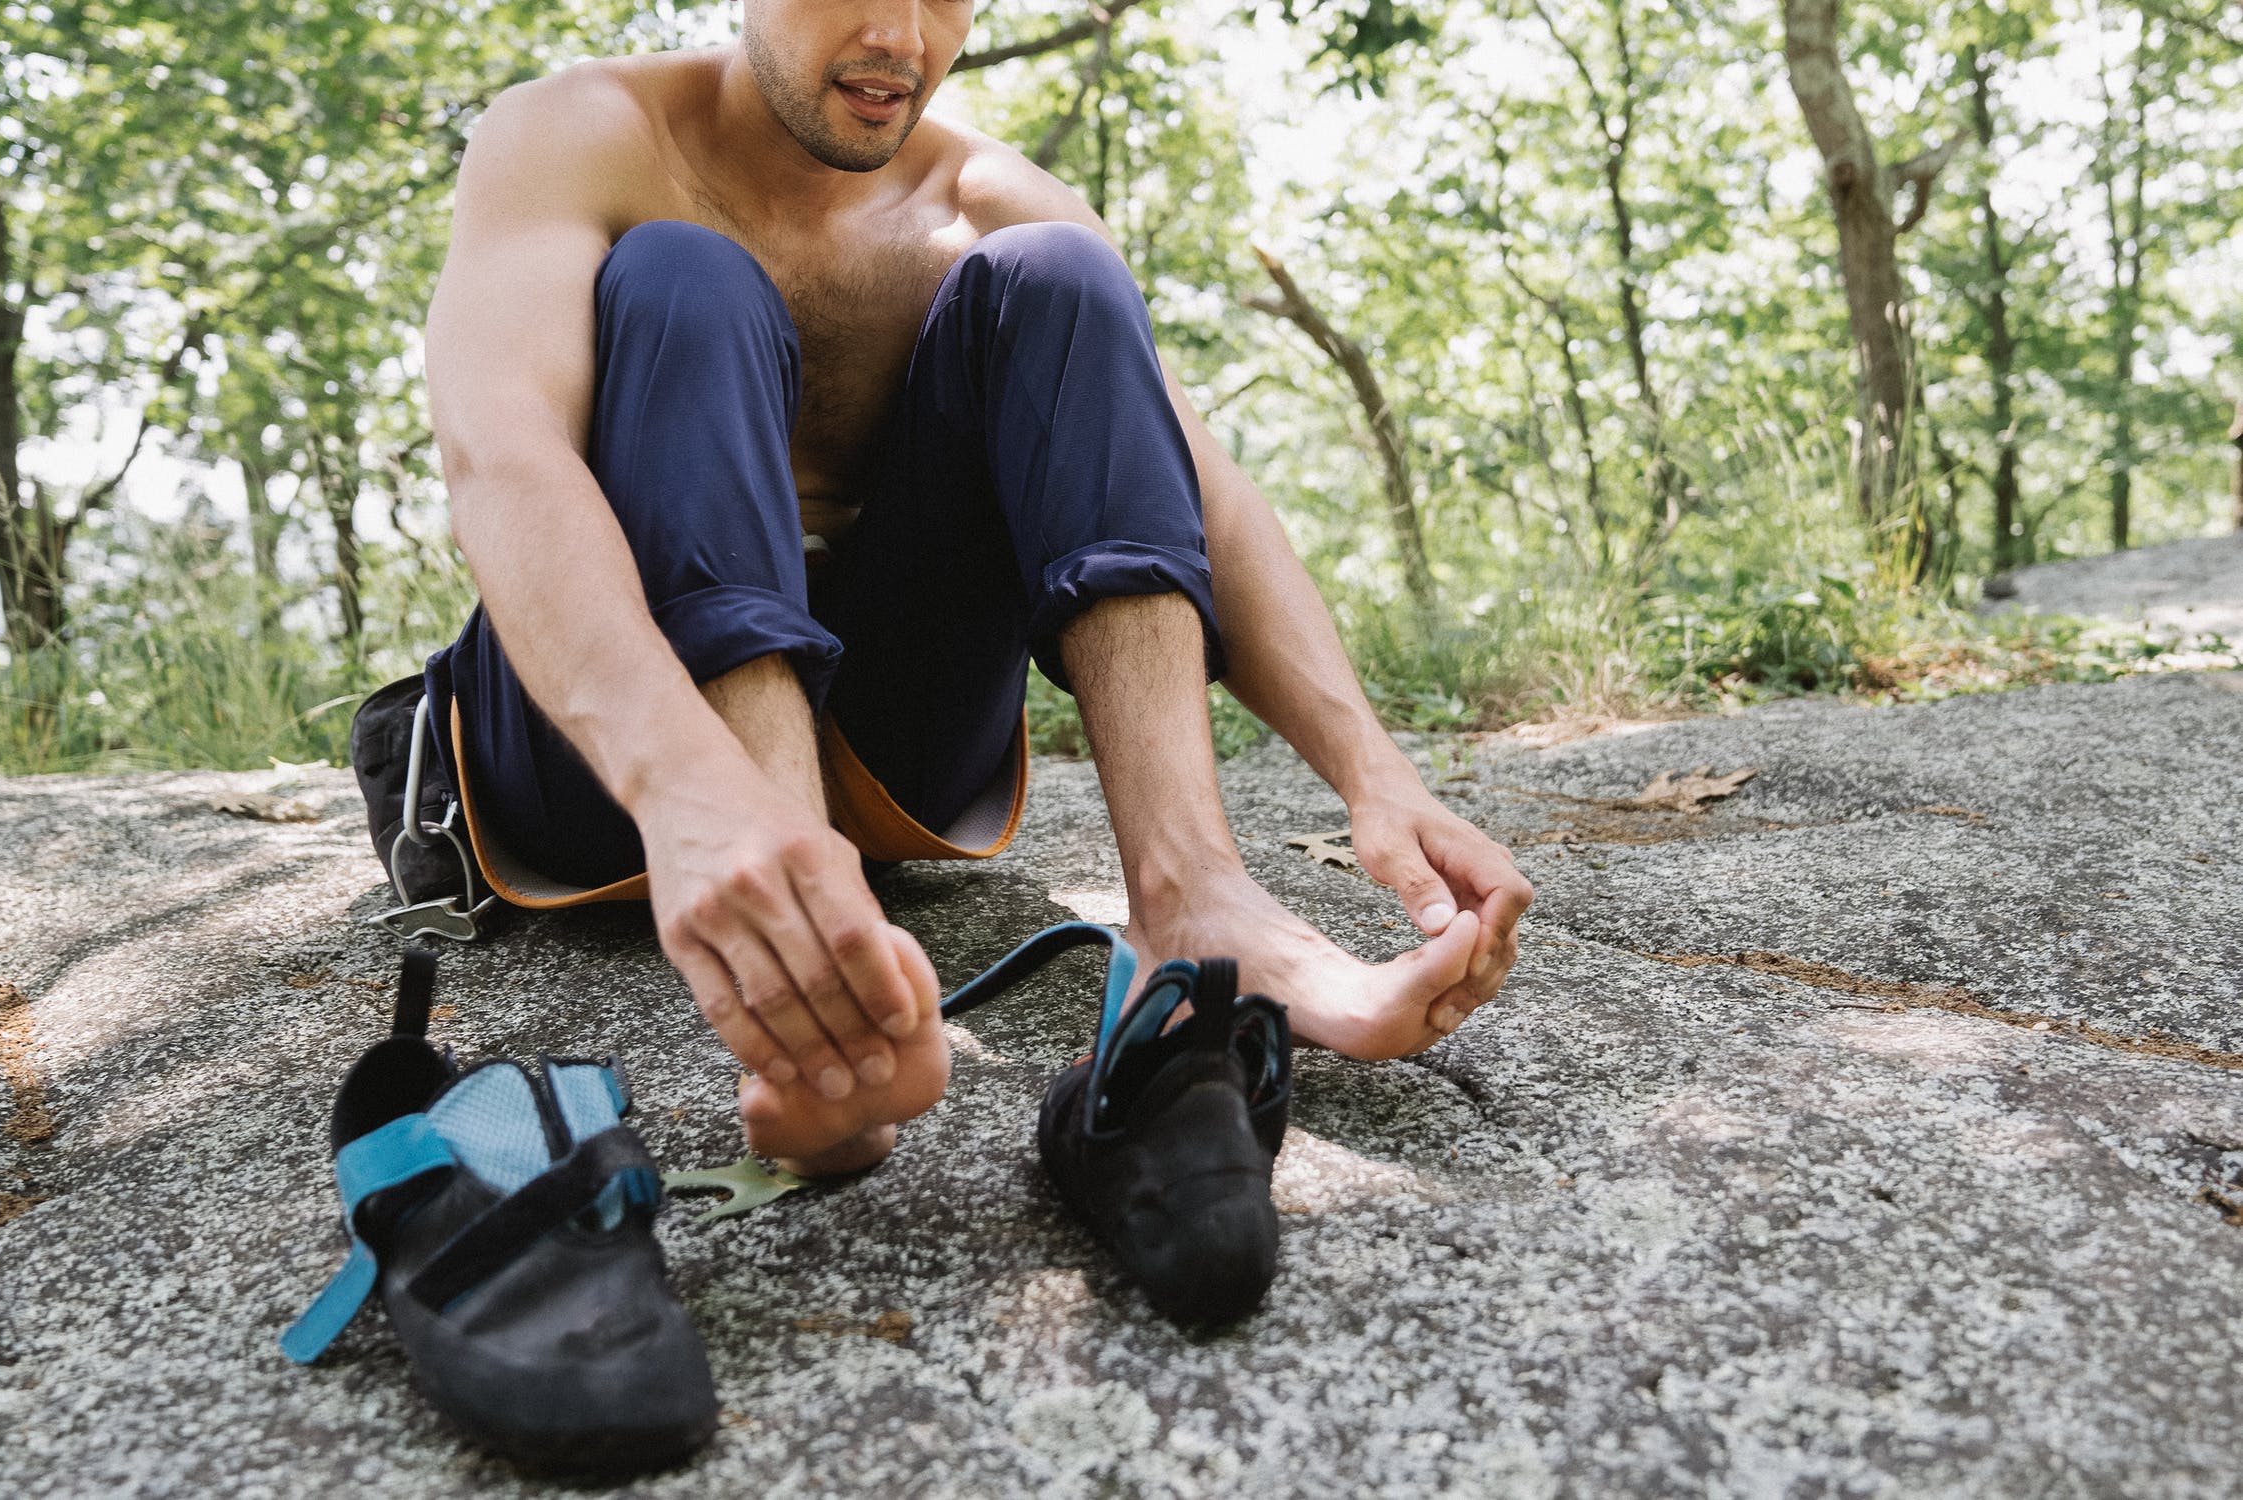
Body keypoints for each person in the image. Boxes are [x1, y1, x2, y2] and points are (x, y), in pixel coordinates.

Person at [418, 0, 1534, 1176]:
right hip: (609, 756)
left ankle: (1192, 898)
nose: (903, 36)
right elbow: (503, 460)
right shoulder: (577, 133)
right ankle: (813, 965)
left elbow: (1202, 495)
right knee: (685, 275)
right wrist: (686, 789)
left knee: (1064, 275)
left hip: (897, 748)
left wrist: (1377, 775)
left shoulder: (990, 200)